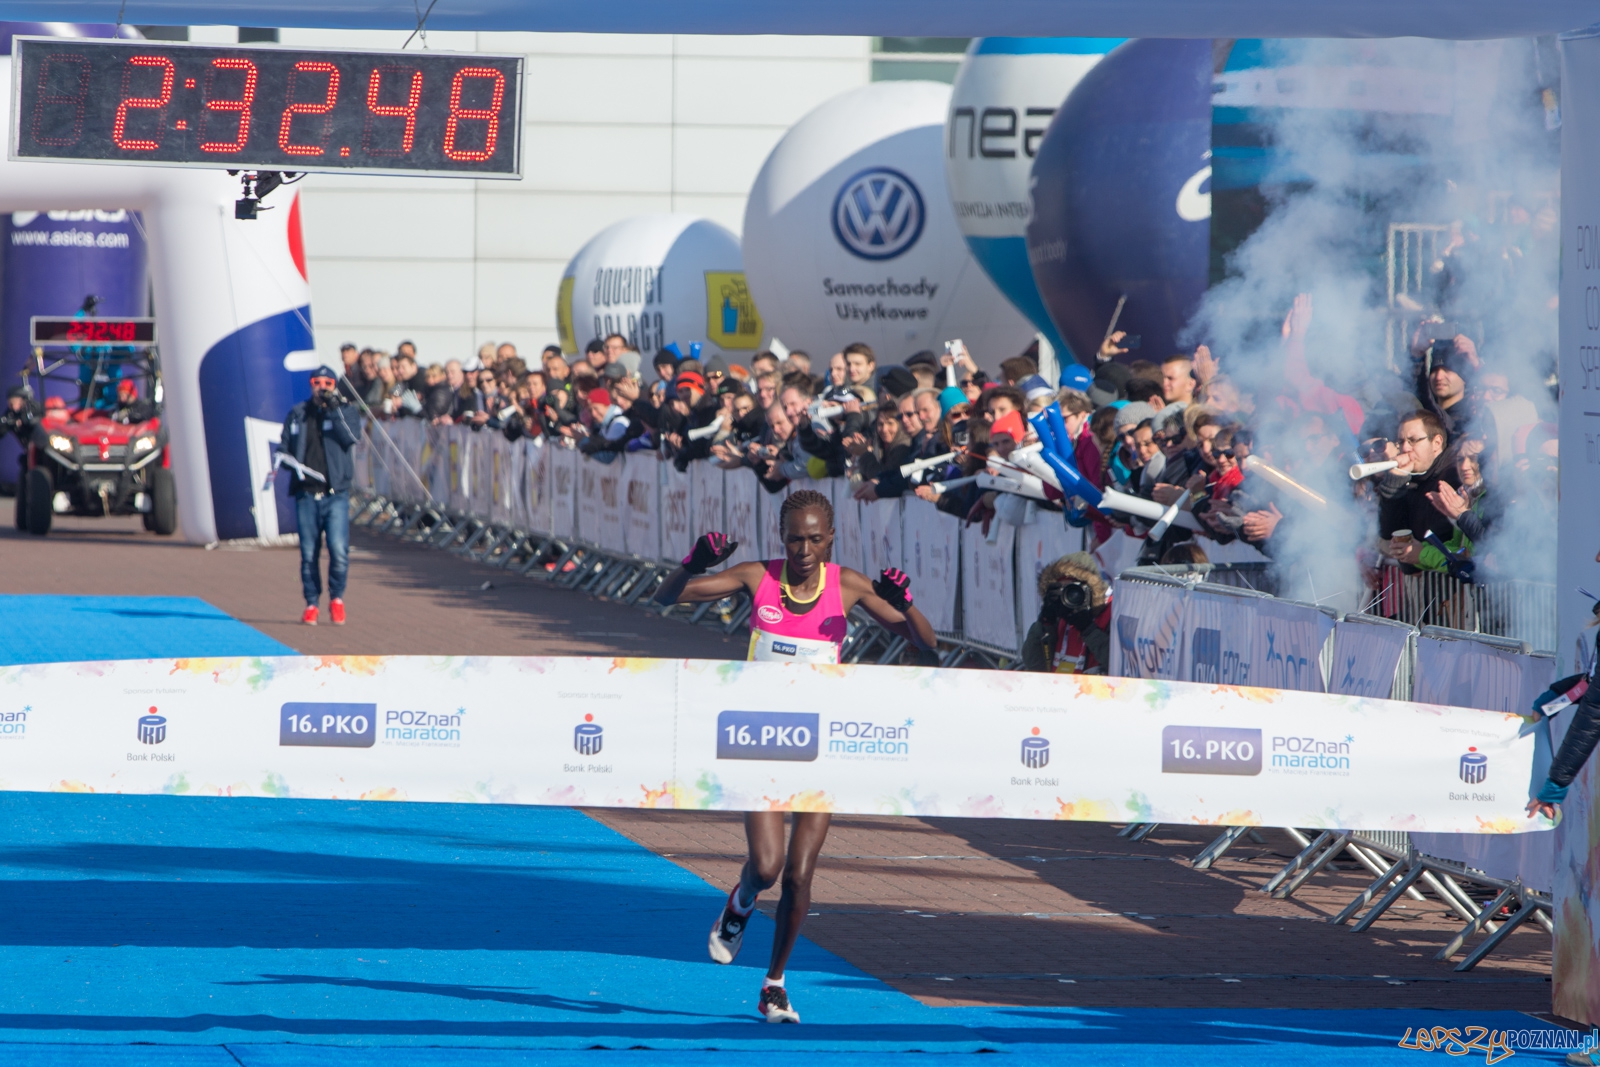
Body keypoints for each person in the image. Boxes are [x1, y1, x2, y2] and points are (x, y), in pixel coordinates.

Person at [651, 490, 937, 1024]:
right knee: (766, 867)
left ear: (830, 538)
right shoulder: (757, 576)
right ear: (782, 538)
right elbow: (671, 597)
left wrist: (906, 603)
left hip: (820, 748)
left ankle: (774, 984)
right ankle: (740, 902)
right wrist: (692, 563)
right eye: (793, 538)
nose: (803, 548)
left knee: (801, 876)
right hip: (759, 743)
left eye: (813, 538)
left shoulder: (847, 585)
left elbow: (927, 643)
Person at [278, 367, 362, 626]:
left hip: (335, 493)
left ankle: (337, 598)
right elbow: (284, 447)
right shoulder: (298, 414)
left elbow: (350, 438)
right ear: (311, 384)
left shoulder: (345, 411)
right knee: (308, 552)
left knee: (338, 549)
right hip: (307, 493)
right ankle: (311, 602)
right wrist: (286, 461)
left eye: (327, 382)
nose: (322, 387)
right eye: (317, 382)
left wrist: (335, 409)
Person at [1021, 553, 1111, 674]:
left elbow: (1118, 663)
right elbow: (1033, 663)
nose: (1068, 596)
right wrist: (1045, 622)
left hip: (1098, 691)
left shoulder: (1110, 614)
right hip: (1060, 690)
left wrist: (1088, 629)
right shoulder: (1058, 618)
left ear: (1091, 589)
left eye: (1073, 589)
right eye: (1061, 589)